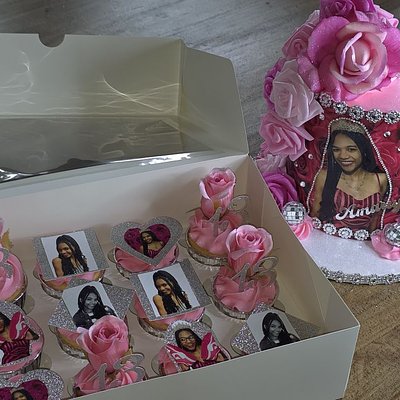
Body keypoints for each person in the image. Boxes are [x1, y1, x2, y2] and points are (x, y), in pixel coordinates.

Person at [311, 118, 388, 233]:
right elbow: (315, 215)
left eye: (351, 149)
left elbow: (376, 218)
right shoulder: (324, 176)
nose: (343, 156)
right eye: (336, 150)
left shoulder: (380, 179)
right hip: (327, 237)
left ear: (363, 150)